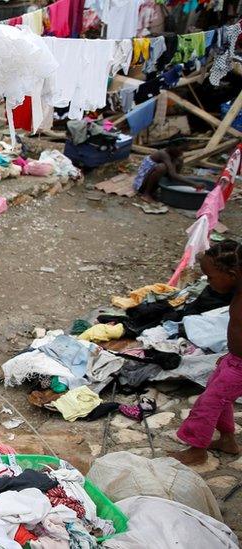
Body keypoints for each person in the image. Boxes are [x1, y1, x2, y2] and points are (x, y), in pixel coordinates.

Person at [170, 240, 242, 466]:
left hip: (240, 365)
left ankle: (197, 450)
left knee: (208, 403)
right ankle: (228, 439)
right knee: (216, 394)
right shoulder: (237, 290)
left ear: (230, 274)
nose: (208, 283)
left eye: (210, 277)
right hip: (234, 360)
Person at [133, 139, 203, 198]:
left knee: (179, 160)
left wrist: (177, 162)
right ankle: (146, 194)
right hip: (141, 183)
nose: (182, 153)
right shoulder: (163, 154)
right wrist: (194, 183)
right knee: (162, 167)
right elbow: (172, 174)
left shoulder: (174, 156)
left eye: (184, 151)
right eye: (181, 150)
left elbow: (175, 175)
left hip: (153, 180)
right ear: (172, 146)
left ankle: (160, 190)